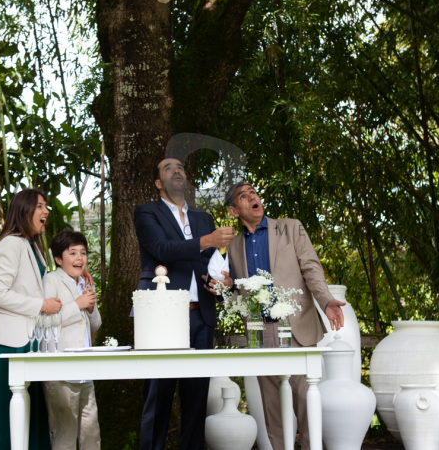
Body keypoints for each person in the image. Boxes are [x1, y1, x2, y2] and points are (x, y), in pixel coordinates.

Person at [224, 182, 346, 450]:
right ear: (234, 211)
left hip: (295, 326)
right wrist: (224, 288)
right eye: (243, 196)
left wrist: (326, 301)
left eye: (253, 192)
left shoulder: (291, 227)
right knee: (272, 408)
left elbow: (311, 268)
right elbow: (236, 290)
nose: (252, 196)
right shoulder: (233, 246)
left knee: (305, 399)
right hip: (259, 332)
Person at [0, 189, 93, 450]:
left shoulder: (33, 246)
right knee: (4, 416)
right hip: (7, 342)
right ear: (24, 210)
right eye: (40, 206)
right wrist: (41, 305)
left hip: (29, 339)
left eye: (46, 206)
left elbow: (38, 285)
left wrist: (78, 276)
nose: (46, 211)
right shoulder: (10, 243)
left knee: (29, 415)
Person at [133, 157, 237, 450]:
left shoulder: (204, 218)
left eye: (180, 167)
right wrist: (207, 241)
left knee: (196, 398)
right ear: (158, 183)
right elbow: (161, 248)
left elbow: (211, 261)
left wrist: (224, 281)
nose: (176, 170)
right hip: (163, 317)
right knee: (158, 397)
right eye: (168, 168)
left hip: (202, 315)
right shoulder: (146, 212)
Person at [42, 229, 102, 450]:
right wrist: (77, 305)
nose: (79, 258)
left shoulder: (85, 282)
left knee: (91, 432)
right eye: (73, 253)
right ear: (58, 259)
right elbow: (45, 322)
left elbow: (95, 325)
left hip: (85, 369)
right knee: (64, 432)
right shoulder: (51, 280)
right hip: (61, 370)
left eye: (83, 253)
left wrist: (91, 308)